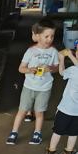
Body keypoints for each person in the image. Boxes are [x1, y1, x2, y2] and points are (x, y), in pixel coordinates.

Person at [6, 18, 59, 146]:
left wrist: (50, 68)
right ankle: (14, 132)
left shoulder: (53, 52)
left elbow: (57, 68)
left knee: (39, 112)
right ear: (38, 36)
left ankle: (37, 133)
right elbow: (20, 68)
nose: (49, 39)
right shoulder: (31, 51)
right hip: (29, 86)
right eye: (46, 36)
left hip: (45, 87)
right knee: (22, 110)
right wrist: (30, 70)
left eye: (52, 36)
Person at [44, 47, 78, 154]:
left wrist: (63, 59)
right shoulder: (74, 69)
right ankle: (68, 153)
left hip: (65, 109)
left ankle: (50, 152)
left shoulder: (73, 70)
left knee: (57, 131)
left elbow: (62, 73)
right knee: (74, 133)